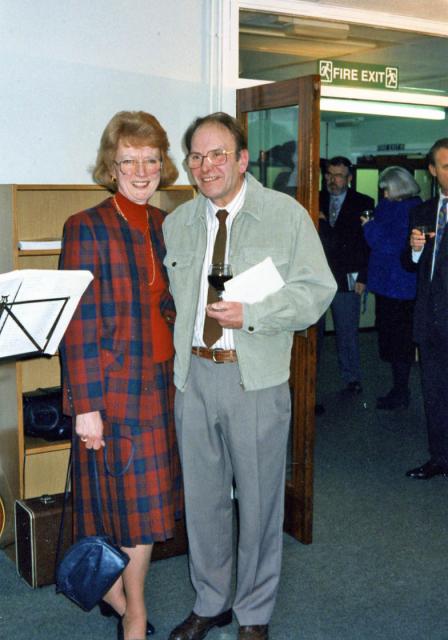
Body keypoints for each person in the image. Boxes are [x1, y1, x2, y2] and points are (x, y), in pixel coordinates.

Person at [163, 112, 336, 640]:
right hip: (193, 378)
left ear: (241, 159)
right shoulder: (179, 222)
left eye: (218, 154)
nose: (206, 165)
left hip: (253, 380)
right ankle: (211, 600)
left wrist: (252, 315)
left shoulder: (284, 215)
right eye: (196, 156)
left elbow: (316, 289)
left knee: (260, 503)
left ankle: (254, 612)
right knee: (204, 501)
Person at [59, 110, 183, 640]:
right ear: (111, 166)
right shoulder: (86, 226)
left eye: (150, 159)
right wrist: (84, 405)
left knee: (146, 509)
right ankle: (132, 611)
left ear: (163, 165)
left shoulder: (164, 223)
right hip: (111, 391)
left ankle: (122, 597)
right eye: (128, 159)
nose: (140, 169)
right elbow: (77, 324)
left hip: (159, 382)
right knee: (127, 507)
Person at [404, 138, 448, 479]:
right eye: (446, 166)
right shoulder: (421, 211)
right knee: (433, 394)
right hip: (430, 322)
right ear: (432, 171)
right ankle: (439, 459)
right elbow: (409, 264)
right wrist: (416, 250)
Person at [362, 166, 421, 410]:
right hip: (386, 286)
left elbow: (388, 245)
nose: (383, 194)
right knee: (390, 342)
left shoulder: (411, 209)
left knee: (400, 344)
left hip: (401, 288)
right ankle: (398, 390)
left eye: (387, 189)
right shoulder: (389, 205)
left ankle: (401, 392)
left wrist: (368, 226)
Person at [318, 156, 374, 394]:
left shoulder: (363, 202)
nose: (332, 180)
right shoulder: (315, 197)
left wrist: (363, 276)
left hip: (348, 275)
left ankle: (352, 378)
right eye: (329, 174)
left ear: (349, 178)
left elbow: (368, 243)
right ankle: (310, 379)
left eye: (339, 175)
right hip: (317, 277)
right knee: (313, 335)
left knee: (347, 332)